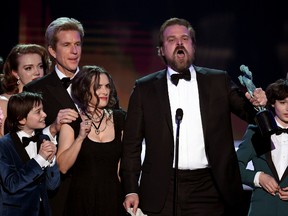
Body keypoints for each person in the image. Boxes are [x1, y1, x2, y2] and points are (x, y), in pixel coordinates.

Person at [120, 17, 267, 216]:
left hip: (209, 187)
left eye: (185, 38)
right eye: (171, 39)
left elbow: (249, 114)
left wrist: (259, 104)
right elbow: (131, 145)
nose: (179, 43)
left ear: (194, 46)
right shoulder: (144, 88)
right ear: (161, 50)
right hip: (162, 188)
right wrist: (130, 188)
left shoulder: (218, 81)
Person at [23, 17, 84, 216]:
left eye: (77, 44)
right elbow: (24, 139)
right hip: (57, 189)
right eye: (66, 45)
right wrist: (53, 128)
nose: (74, 51)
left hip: (93, 184)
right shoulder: (35, 89)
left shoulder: (98, 83)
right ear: (51, 50)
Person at [56, 65, 126, 215]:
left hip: (112, 199)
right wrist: (80, 137)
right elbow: (63, 166)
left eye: (107, 86)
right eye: (98, 86)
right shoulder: (72, 121)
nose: (105, 91)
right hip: (81, 200)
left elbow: (123, 166)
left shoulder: (120, 119)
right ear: (84, 90)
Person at [0, 91, 60, 216]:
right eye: (38, 112)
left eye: (43, 110)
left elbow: (52, 186)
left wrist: (52, 160)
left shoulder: (44, 139)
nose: (44, 114)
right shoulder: (4, 145)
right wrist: (40, 159)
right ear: (21, 119)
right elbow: (12, 184)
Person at [236, 79, 288, 216]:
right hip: (262, 210)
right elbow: (234, 166)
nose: (287, 108)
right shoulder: (256, 132)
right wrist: (258, 178)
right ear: (272, 103)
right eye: (282, 103)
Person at [0, 43, 51, 136]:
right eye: (28, 68)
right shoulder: (4, 103)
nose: (37, 72)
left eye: (40, 66)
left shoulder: (48, 100)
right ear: (15, 73)